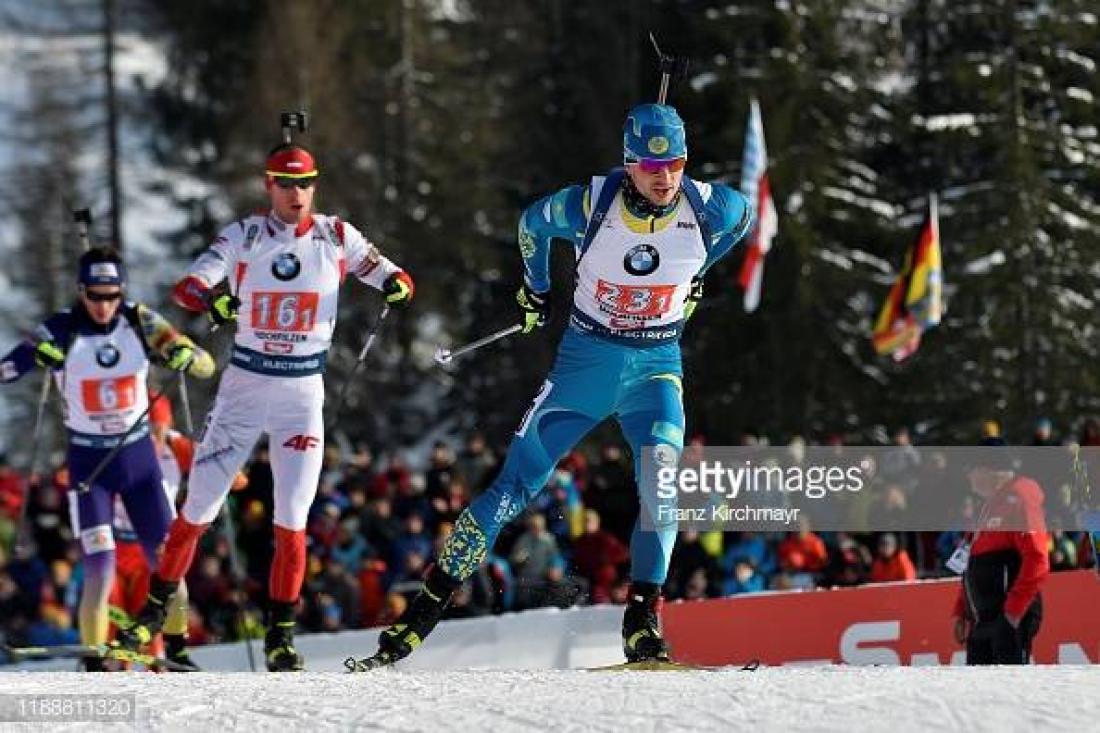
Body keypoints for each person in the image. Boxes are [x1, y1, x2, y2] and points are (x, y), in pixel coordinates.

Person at [352, 102, 752, 669]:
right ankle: (426, 608)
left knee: (662, 484)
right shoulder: (591, 204)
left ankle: (642, 622)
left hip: (655, 369)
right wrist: (536, 289)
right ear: (629, 163)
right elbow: (531, 223)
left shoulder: (708, 207)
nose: (665, 177)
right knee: (516, 486)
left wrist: (696, 277)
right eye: (650, 166)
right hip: (584, 367)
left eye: (677, 164)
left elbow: (745, 218)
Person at [115, 139, 415, 671]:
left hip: (301, 396)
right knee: (197, 511)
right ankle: (151, 617)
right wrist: (214, 298)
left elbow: (392, 275)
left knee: (291, 520)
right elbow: (188, 285)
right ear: (268, 186)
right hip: (244, 391)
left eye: (304, 183)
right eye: (284, 183)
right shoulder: (246, 235)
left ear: (315, 186)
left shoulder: (335, 235)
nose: (295, 194)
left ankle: (280, 636)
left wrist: (395, 284)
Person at [0, 247, 214, 670]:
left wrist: (183, 353)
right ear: (81, 292)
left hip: (139, 466)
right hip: (89, 470)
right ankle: (96, 661)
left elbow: (205, 365)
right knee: (100, 568)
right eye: (95, 296)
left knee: (171, 566)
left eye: (111, 295)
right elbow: (7, 368)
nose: (104, 306)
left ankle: (177, 650)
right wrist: (34, 357)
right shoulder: (62, 329)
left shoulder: (141, 321)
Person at [950, 439, 1050, 665]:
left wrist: (1012, 614)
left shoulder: (1020, 497)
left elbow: (1037, 559)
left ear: (989, 469)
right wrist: (962, 610)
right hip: (982, 618)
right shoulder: (987, 505)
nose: (968, 477)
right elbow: (969, 562)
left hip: (1007, 616)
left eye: (971, 470)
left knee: (1009, 692)